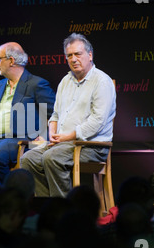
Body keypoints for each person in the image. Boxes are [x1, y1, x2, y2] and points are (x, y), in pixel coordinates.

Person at [20, 33, 116, 197]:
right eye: (69, 55)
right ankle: (48, 205)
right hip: (62, 143)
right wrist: (52, 132)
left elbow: (97, 121)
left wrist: (66, 137)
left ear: (90, 55)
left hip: (91, 145)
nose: (73, 59)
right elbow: (55, 114)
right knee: (28, 159)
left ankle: (64, 210)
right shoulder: (66, 81)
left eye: (78, 54)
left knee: (51, 157)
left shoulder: (102, 82)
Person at [0, 42, 56, 196]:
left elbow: (55, 113)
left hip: (19, 139)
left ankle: (12, 200)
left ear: (11, 61)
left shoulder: (36, 84)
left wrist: (45, 135)